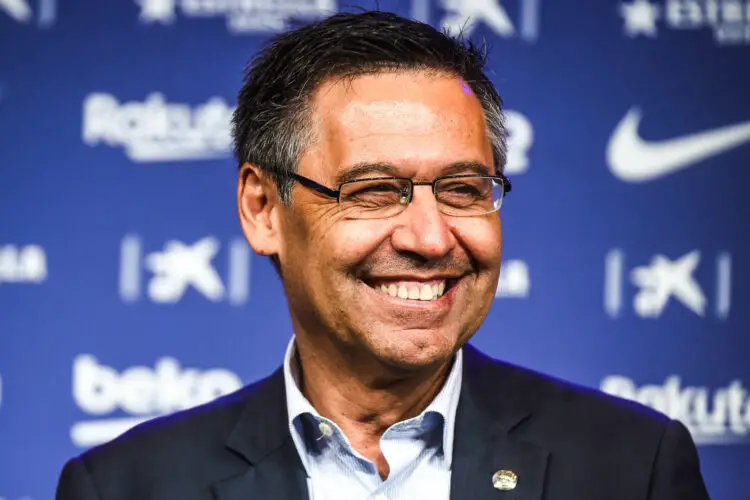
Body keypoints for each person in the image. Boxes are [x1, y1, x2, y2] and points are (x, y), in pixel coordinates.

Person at [56, 10, 710, 500]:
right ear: (262, 209)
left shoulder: (632, 468)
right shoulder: (126, 486)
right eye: (373, 191)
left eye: (462, 189)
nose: (430, 238)